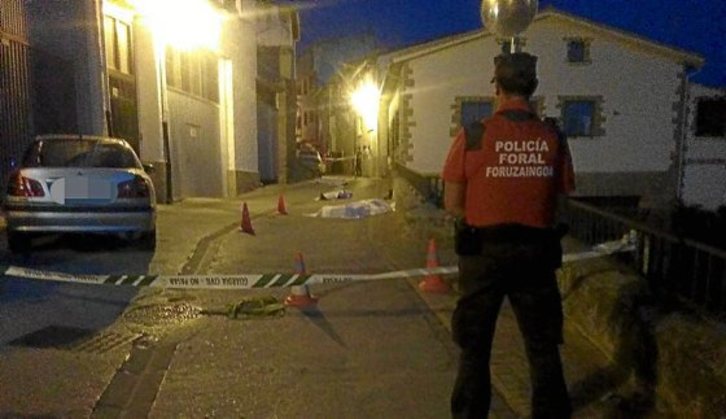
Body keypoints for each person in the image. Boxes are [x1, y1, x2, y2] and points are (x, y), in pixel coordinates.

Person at [442, 52, 575, 419]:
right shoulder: (553, 137)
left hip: (483, 254)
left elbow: (453, 203)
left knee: (475, 347)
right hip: (535, 255)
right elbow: (562, 205)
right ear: (533, 87)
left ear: (496, 87)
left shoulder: (473, 135)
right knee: (542, 347)